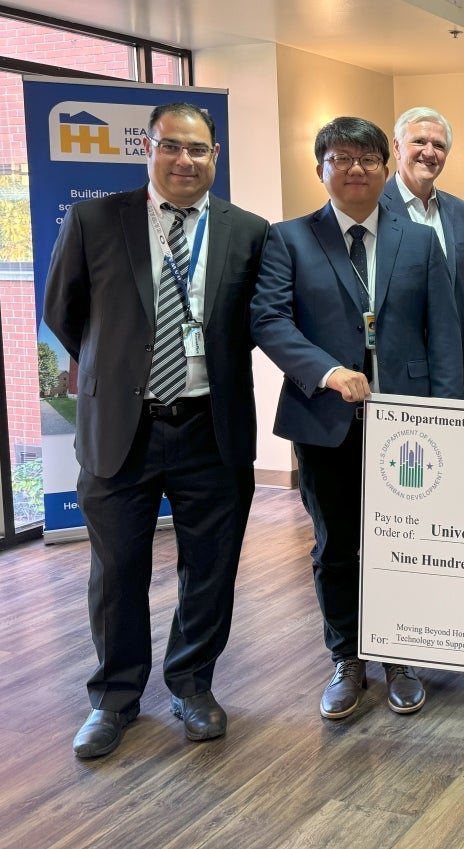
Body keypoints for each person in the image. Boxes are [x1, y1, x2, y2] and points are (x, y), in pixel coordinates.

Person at [44, 102, 270, 758]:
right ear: (149, 147)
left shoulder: (246, 231)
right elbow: (67, 313)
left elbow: (260, 320)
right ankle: (114, 699)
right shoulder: (94, 220)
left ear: (215, 157)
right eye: (172, 146)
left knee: (211, 567)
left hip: (212, 426)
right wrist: (119, 368)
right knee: (117, 571)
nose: (185, 161)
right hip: (123, 425)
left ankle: (192, 684)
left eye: (199, 150)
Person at [251, 117, 464, 721]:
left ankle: (399, 657)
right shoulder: (288, 239)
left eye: (368, 158)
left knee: (405, 544)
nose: (356, 169)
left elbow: (443, 333)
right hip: (325, 421)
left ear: (385, 165)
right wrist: (324, 370)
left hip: (408, 426)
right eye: (341, 158)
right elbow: (270, 320)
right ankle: (347, 658)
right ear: (320, 168)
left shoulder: (418, 241)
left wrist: (443, 414)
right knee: (337, 544)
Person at [381, 106, 464, 360]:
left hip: (452, 360)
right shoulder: (374, 209)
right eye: (419, 141)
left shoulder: (461, 212)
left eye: (439, 145)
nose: (429, 152)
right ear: (397, 147)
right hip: (395, 363)